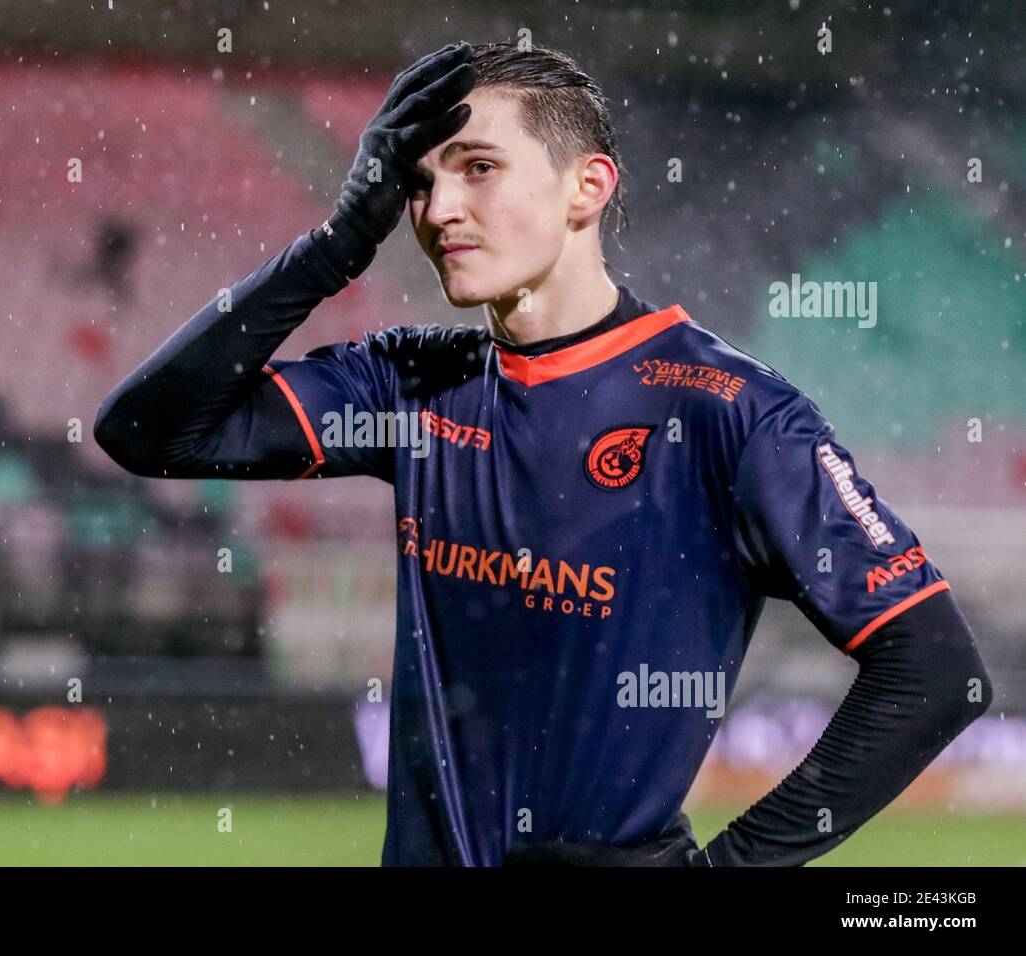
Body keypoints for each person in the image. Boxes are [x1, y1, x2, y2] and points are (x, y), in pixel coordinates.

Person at [94, 41, 993, 866]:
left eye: (479, 169)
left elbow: (935, 672)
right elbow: (149, 432)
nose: (439, 209)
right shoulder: (411, 384)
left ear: (587, 188)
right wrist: (334, 247)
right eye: (418, 181)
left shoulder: (731, 414)